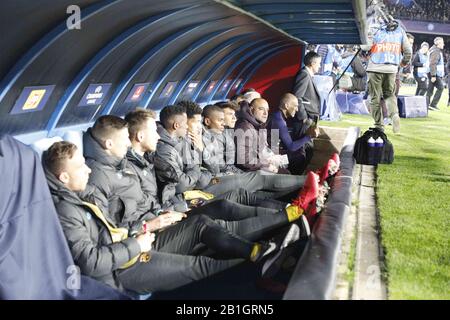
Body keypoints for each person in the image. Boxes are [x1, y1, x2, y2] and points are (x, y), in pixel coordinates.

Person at [43, 141, 305, 294]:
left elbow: (111, 232)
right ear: (63, 177)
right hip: (119, 273)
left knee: (203, 223)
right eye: (80, 166)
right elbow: (90, 262)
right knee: (201, 266)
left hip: (134, 245)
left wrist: (143, 229)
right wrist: (138, 241)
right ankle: (262, 263)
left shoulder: (76, 198)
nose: (87, 168)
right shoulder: (67, 209)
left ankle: (261, 250)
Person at [366, 19, 412, 133]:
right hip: (391, 69)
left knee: (374, 98)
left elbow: (366, 47)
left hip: (375, 68)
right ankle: (394, 115)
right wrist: (402, 64)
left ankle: (379, 125)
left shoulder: (375, 29)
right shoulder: (400, 31)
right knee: (390, 95)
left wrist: (368, 35)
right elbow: (408, 52)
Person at [267, 93, 319, 175]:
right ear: (286, 106)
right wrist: (309, 136)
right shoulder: (279, 121)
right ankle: (293, 181)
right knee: (299, 156)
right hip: (271, 159)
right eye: (295, 106)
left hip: (272, 153)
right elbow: (291, 147)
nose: (297, 109)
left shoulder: (276, 116)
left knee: (301, 150)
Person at [293, 51, 322, 121]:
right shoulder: (304, 74)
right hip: (306, 119)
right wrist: (303, 117)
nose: (320, 66)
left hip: (310, 117)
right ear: (312, 63)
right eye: (319, 63)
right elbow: (297, 97)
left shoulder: (307, 74)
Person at [427, 37, 446, 111]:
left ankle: (427, 104)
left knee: (430, 89)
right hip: (434, 73)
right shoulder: (435, 51)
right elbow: (433, 64)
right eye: (442, 42)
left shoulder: (433, 49)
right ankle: (433, 104)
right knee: (440, 87)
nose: (444, 44)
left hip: (432, 72)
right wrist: (433, 75)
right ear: (438, 43)